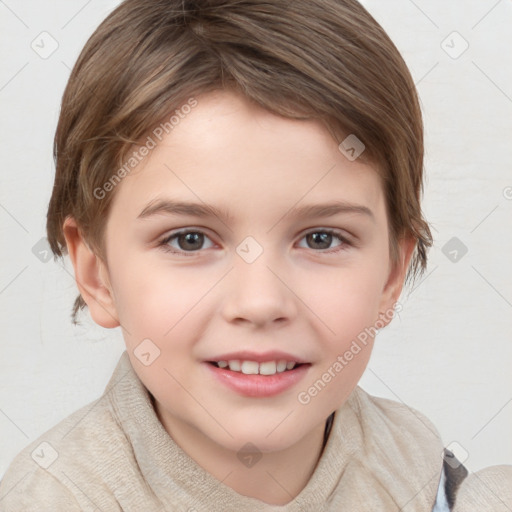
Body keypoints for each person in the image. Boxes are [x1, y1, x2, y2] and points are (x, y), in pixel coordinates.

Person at [0, 0, 510, 510]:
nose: (261, 302)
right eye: (189, 240)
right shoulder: (51, 497)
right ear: (98, 275)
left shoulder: (433, 483)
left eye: (321, 239)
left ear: (391, 275)